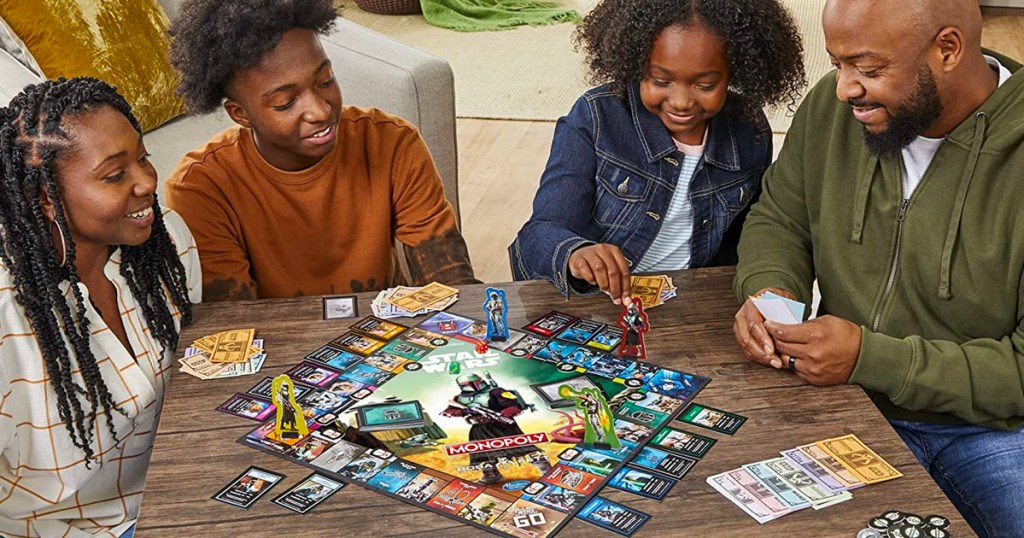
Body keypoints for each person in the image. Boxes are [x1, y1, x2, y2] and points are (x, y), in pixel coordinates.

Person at [731, 1, 1024, 535]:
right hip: (842, 400)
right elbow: (780, 217)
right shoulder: (832, 109)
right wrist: (770, 291)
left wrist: (873, 358)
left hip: (992, 429)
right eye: (838, 64)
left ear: (949, 49)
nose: (844, 88)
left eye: (868, 69)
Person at [165, 0, 476, 302]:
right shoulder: (201, 187)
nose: (320, 110)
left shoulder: (393, 143)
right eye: (285, 103)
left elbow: (449, 281)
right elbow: (235, 323)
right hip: (278, 346)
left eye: (325, 81)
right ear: (240, 114)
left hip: (390, 341)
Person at [0, 78, 200, 537]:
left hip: (181, 498)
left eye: (144, 158)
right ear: (46, 196)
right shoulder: (8, 314)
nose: (148, 182)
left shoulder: (167, 243)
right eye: (115, 175)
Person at [509, 0, 805, 303]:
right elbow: (538, 235)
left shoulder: (749, 133)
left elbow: (749, 238)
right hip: (596, 303)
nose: (680, 102)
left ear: (735, 71)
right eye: (661, 81)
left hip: (690, 305)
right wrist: (575, 253)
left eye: (705, 85)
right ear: (636, 62)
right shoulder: (597, 118)